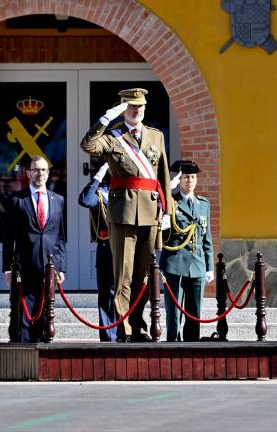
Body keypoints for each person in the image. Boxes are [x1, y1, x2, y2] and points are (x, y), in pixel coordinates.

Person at [80, 88, 173, 342]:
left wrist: (167, 211)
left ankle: (138, 325)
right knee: (123, 277)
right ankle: (123, 329)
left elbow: (163, 175)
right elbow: (87, 145)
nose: (137, 110)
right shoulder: (113, 137)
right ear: (123, 108)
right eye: (132, 106)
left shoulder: (156, 136)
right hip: (122, 214)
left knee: (143, 276)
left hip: (150, 213)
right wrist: (105, 119)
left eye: (141, 106)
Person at [2, 156, 66, 343]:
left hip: (49, 268)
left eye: (44, 170)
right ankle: (21, 359)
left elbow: (60, 238)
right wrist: (7, 268)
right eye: (36, 170)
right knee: (21, 314)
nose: (40, 174)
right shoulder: (16, 200)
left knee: (46, 314)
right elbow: (8, 238)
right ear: (28, 172)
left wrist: (61, 267)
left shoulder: (58, 200)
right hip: (24, 267)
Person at [160, 160, 214, 342]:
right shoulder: (170, 202)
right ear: (179, 180)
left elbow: (207, 238)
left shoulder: (203, 204)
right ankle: (173, 346)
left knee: (195, 312)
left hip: (197, 265)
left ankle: (192, 348)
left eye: (192, 177)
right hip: (175, 263)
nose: (189, 181)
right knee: (174, 314)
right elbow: (159, 217)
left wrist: (209, 266)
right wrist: (167, 192)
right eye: (185, 177)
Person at [78, 161, 117, 342]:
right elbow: (85, 200)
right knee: (107, 294)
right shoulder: (101, 193)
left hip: (127, 249)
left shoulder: (129, 191)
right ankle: (109, 338)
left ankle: (126, 334)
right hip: (107, 248)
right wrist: (98, 177)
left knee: (126, 292)